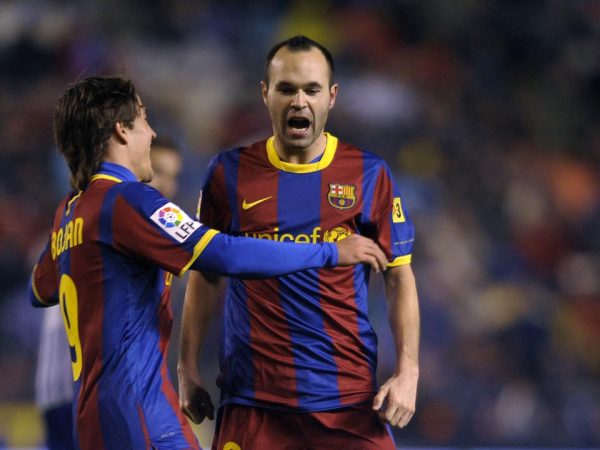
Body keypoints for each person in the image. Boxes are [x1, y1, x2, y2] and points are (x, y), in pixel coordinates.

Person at [28, 76, 388, 450]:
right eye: (144, 120)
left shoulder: (69, 213)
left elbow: (39, 290)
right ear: (121, 130)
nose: (152, 134)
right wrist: (330, 252)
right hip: (142, 417)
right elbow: (223, 253)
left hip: (92, 424)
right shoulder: (127, 200)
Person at [178, 35, 420, 450]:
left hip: (348, 404)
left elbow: (399, 277)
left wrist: (408, 371)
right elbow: (207, 275)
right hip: (253, 404)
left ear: (332, 96)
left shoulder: (368, 173)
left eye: (312, 89)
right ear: (265, 93)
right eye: (286, 88)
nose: (299, 101)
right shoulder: (228, 173)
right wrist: (187, 368)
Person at [33, 135, 184, 450]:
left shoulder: (77, 217)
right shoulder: (111, 216)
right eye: (157, 170)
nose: (165, 185)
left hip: (81, 394)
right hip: (86, 395)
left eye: (173, 176)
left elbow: (38, 290)